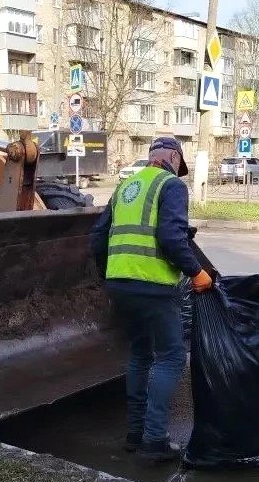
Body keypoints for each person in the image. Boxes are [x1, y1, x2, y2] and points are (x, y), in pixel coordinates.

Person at [91, 137, 213, 461]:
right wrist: (197, 272)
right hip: (154, 286)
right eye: (179, 163)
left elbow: (98, 237)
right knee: (171, 357)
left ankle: (135, 433)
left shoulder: (125, 187)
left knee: (139, 354)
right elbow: (171, 237)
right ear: (174, 157)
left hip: (120, 285)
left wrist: (110, 273)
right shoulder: (171, 186)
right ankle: (155, 439)